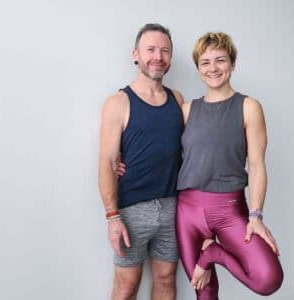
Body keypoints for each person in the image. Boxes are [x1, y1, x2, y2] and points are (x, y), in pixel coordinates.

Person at [176, 32, 284, 299]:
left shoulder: (248, 107)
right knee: (205, 291)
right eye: (205, 62)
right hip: (187, 213)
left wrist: (256, 216)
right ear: (198, 69)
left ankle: (214, 253)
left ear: (233, 64)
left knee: (268, 279)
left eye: (220, 60)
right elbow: (165, 154)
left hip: (229, 211)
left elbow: (257, 165)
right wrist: (122, 161)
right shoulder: (187, 110)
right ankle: (209, 255)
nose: (213, 68)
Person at [98, 23, 184, 300]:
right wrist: (113, 217)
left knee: (166, 279)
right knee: (126, 287)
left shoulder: (178, 100)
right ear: (136, 54)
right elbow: (106, 162)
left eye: (165, 50)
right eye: (150, 49)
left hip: (173, 207)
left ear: (170, 57)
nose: (157, 56)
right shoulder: (118, 102)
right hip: (132, 211)